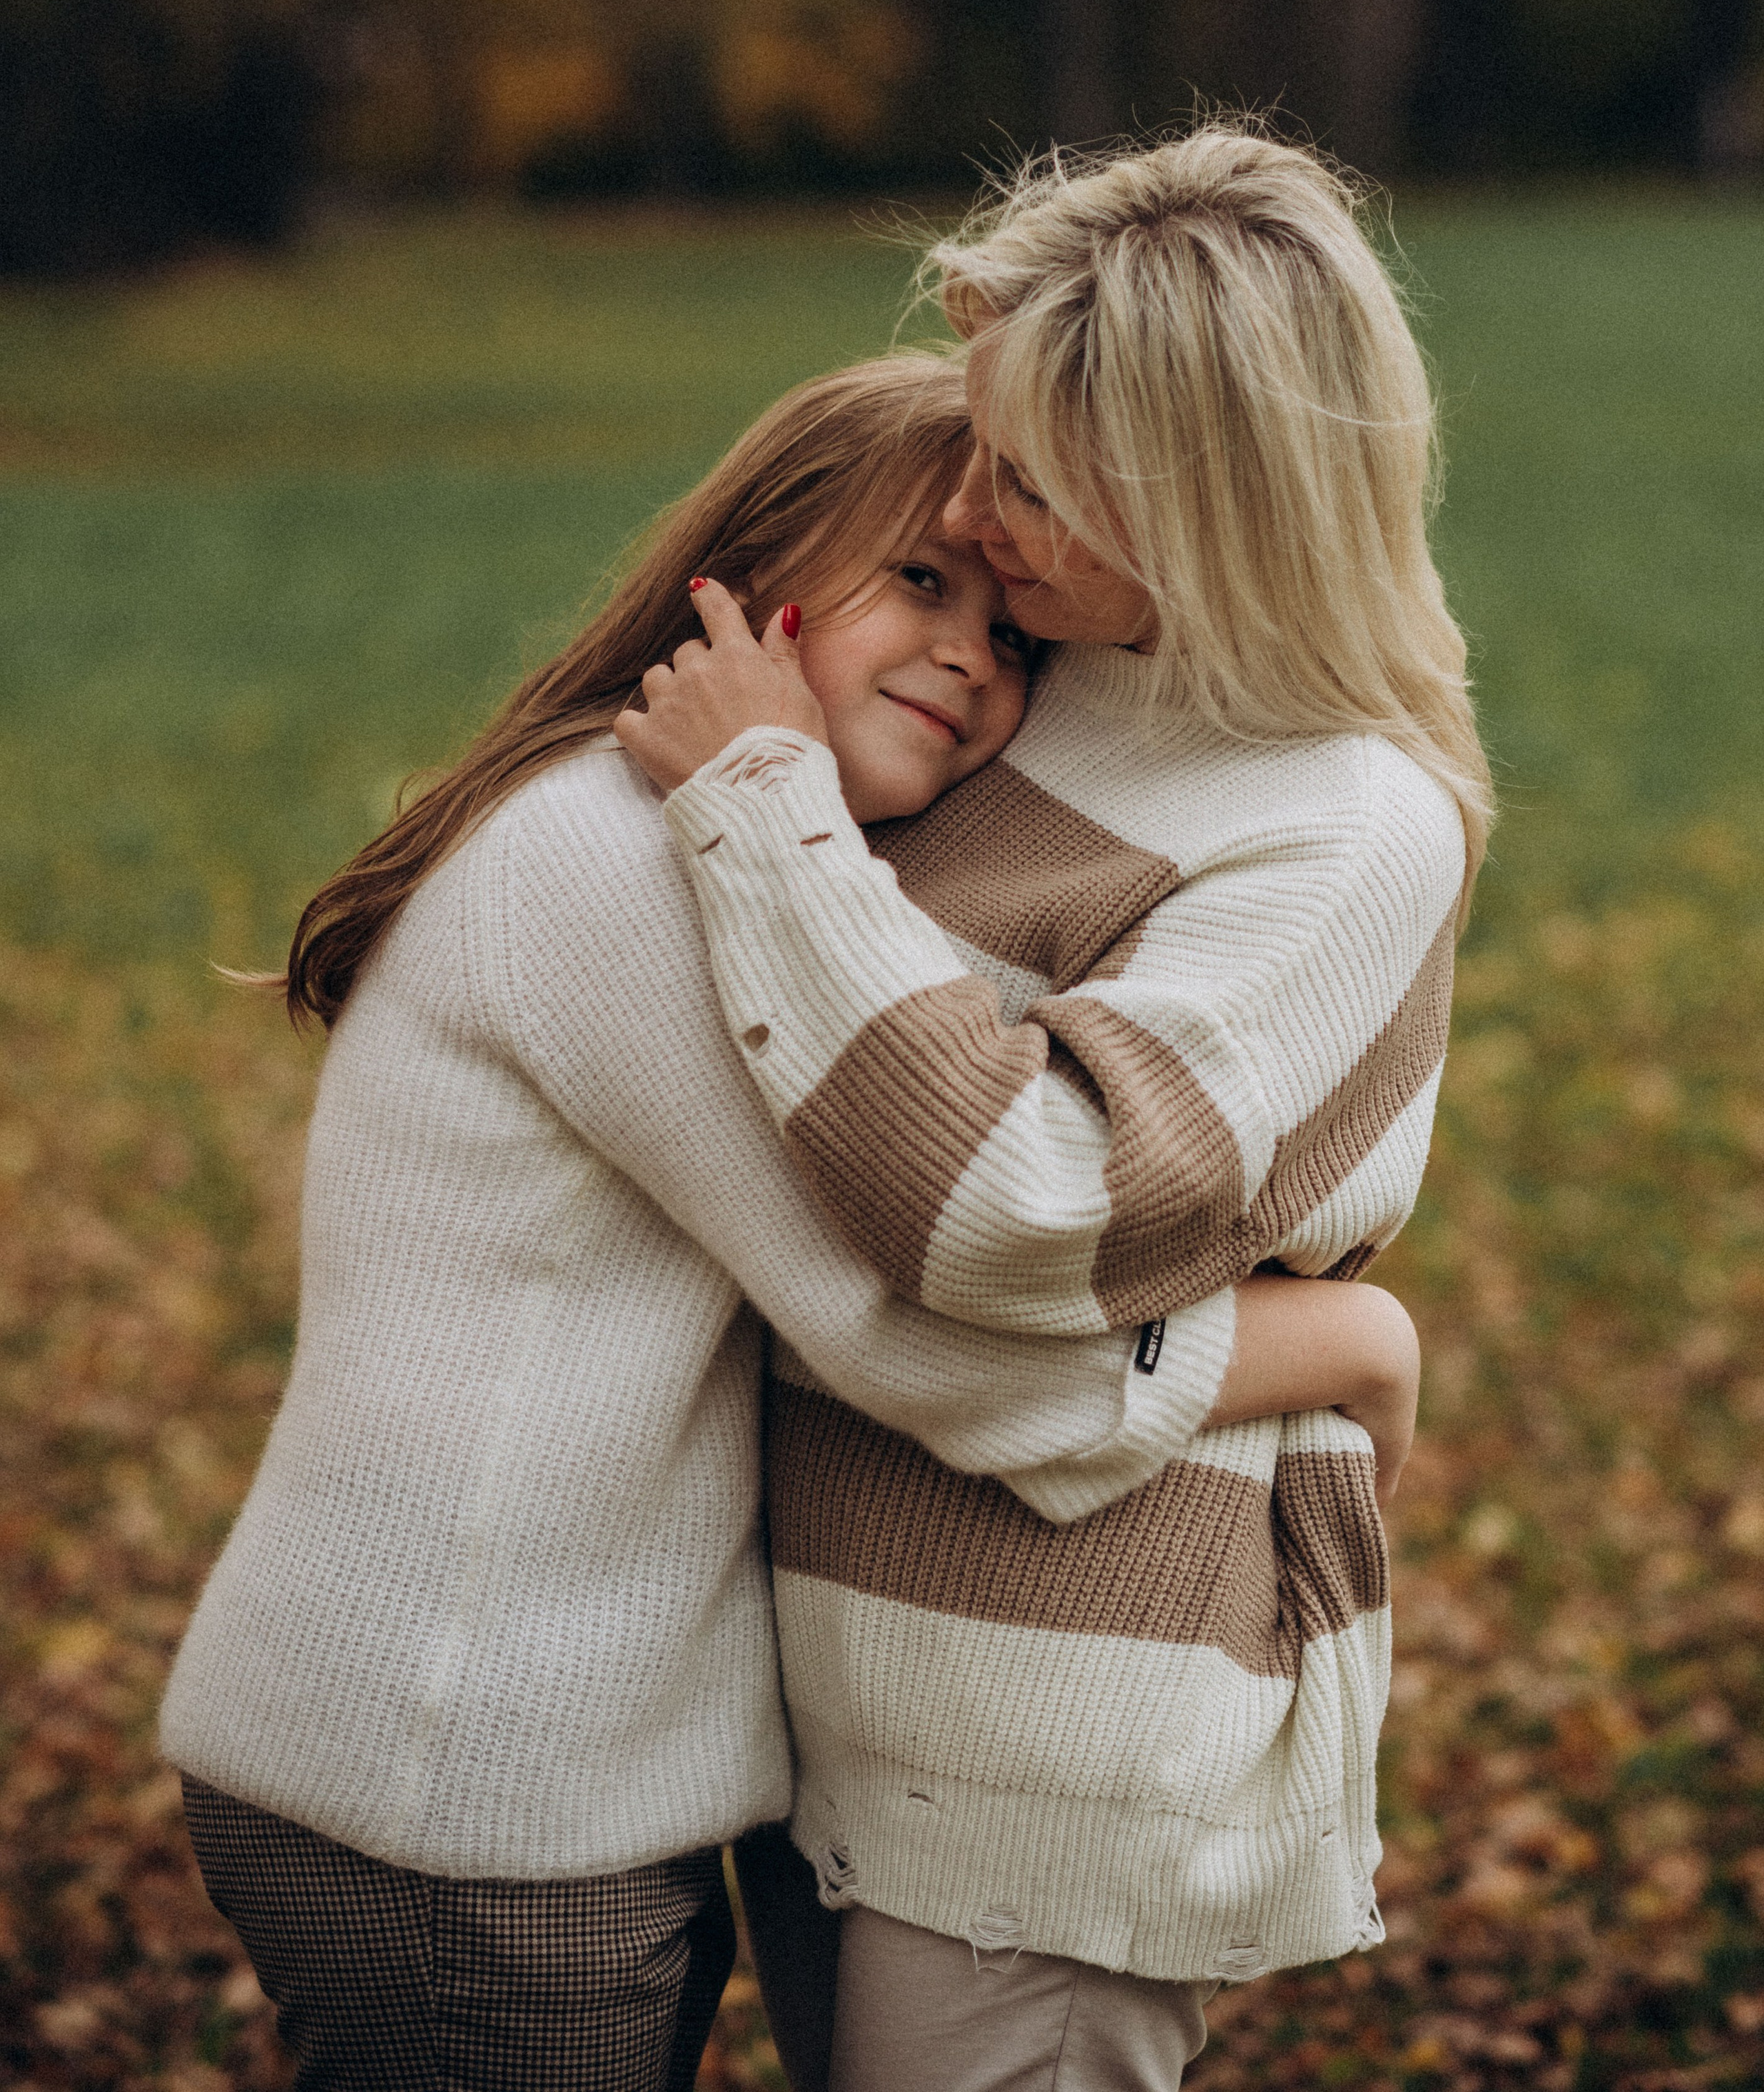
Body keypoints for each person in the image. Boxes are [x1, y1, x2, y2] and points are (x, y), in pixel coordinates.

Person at [161, 352, 1417, 2092]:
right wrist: (1352, 1340)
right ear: (752, 576)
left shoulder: (728, 867)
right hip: (450, 1784)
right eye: (920, 579)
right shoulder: (614, 867)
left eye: (1016, 633)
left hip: (534, 1773)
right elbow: (924, 1344)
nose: (977, 654)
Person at [617, 124, 1493, 2092]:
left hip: (1058, 1747)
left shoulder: (1344, 824)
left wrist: (760, 815)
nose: (979, 515)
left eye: (1029, 482)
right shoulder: (1040, 679)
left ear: (1207, 503)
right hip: (833, 1670)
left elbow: (1030, 1212)